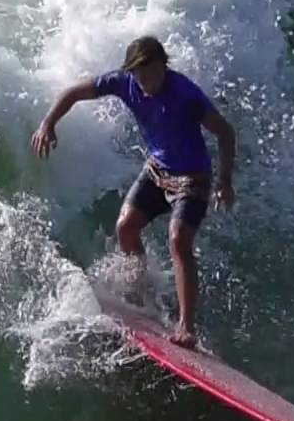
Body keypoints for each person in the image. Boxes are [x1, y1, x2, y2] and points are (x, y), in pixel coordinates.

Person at [30, 35, 236, 348]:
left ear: (165, 67)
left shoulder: (185, 94)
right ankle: (143, 295)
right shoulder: (122, 82)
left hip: (193, 178)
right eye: (141, 77)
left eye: (153, 75)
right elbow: (72, 93)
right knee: (126, 228)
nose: (147, 83)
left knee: (178, 239)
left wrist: (224, 181)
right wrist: (48, 123)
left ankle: (186, 327)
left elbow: (225, 132)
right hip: (157, 171)